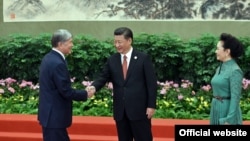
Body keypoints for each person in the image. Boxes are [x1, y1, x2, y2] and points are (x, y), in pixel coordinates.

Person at [87, 27, 157, 141]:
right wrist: (94, 87)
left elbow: (151, 84)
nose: (117, 45)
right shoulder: (112, 60)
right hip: (121, 112)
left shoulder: (143, 58)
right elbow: (103, 77)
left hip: (139, 111)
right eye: (115, 42)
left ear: (129, 41)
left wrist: (151, 105)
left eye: (120, 42)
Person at [38, 29, 95, 141]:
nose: (72, 45)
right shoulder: (57, 63)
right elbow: (65, 91)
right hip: (54, 117)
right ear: (60, 44)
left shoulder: (49, 58)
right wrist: (85, 94)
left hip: (50, 116)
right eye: (70, 42)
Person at [210, 33, 244, 125]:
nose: (215, 51)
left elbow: (235, 98)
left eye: (218, 49)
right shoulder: (219, 68)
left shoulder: (235, 70)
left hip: (226, 111)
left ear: (227, 51)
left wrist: (229, 120)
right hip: (216, 109)